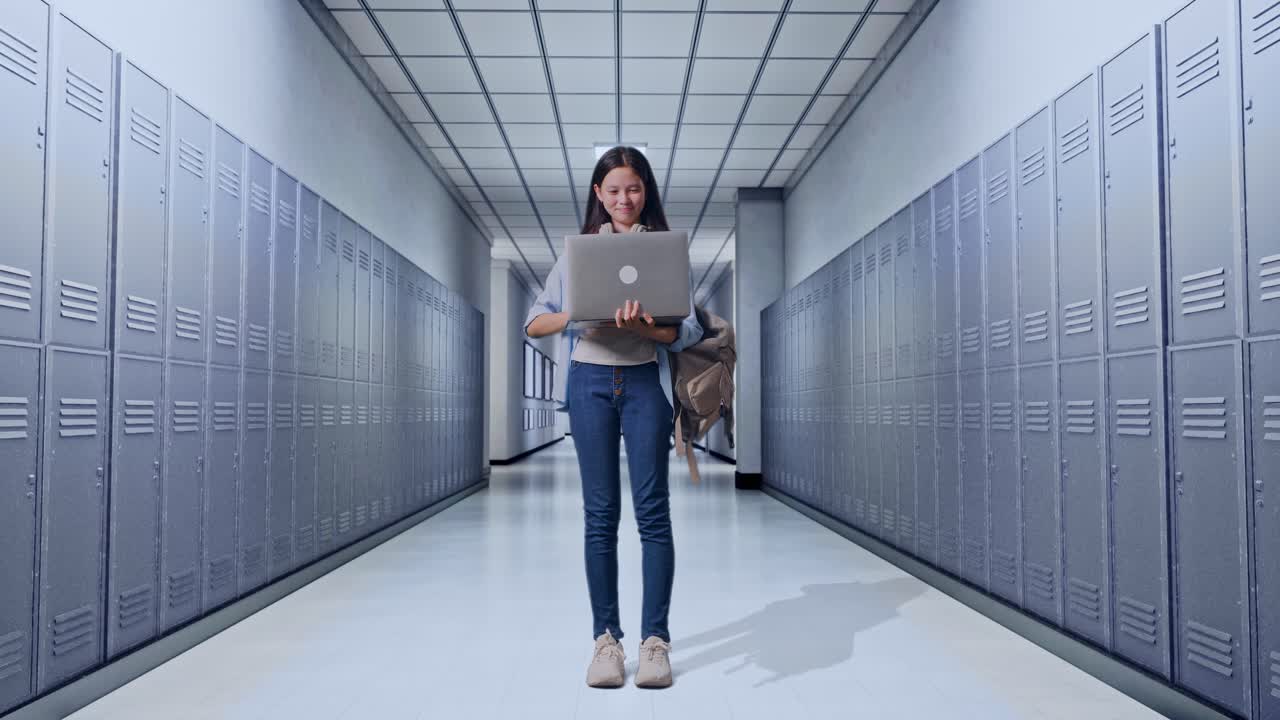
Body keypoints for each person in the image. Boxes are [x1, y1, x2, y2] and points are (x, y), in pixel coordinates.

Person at [524, 146, 702, 689]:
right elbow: (534, 323)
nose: (625, 198)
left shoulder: (665, 252)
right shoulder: (576, 256)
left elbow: (687, 330)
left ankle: (654, 643)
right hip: (590, 383)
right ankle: (606, 641)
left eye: (635, 188)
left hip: (645, 383)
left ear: (646, 192)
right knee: (600, 515)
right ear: (599, 195)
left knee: (653, 513)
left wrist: (647, 328)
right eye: (615, 190)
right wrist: (577, 313)